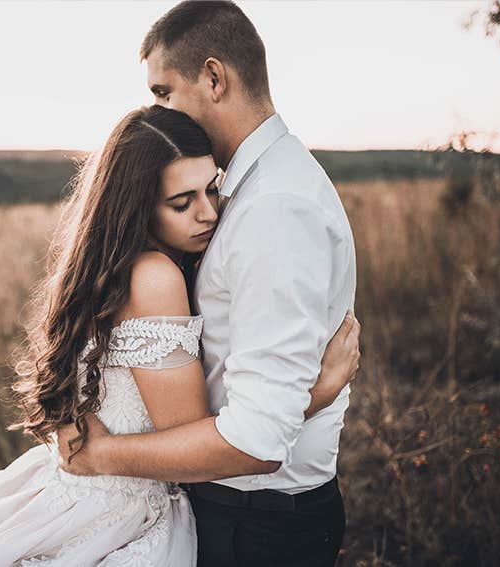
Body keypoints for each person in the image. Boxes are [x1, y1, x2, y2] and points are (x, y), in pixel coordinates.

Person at [0, 104, 360, 566]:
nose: (207, 214)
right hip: (121, 516)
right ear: (138, 207)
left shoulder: (106, 268)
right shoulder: (155, 277)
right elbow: (192, 437)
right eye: (181, 203)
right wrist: (315, 394)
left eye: (212, 189)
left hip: (68, 492)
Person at [56, 2, 359, 566]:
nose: (157, 110)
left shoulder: (275, 208)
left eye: (163, 93)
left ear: (214, 77)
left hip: (257, 523)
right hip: (227, 508)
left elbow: (257, 438)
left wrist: (101, 456)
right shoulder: (245, 190)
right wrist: (317, 390)